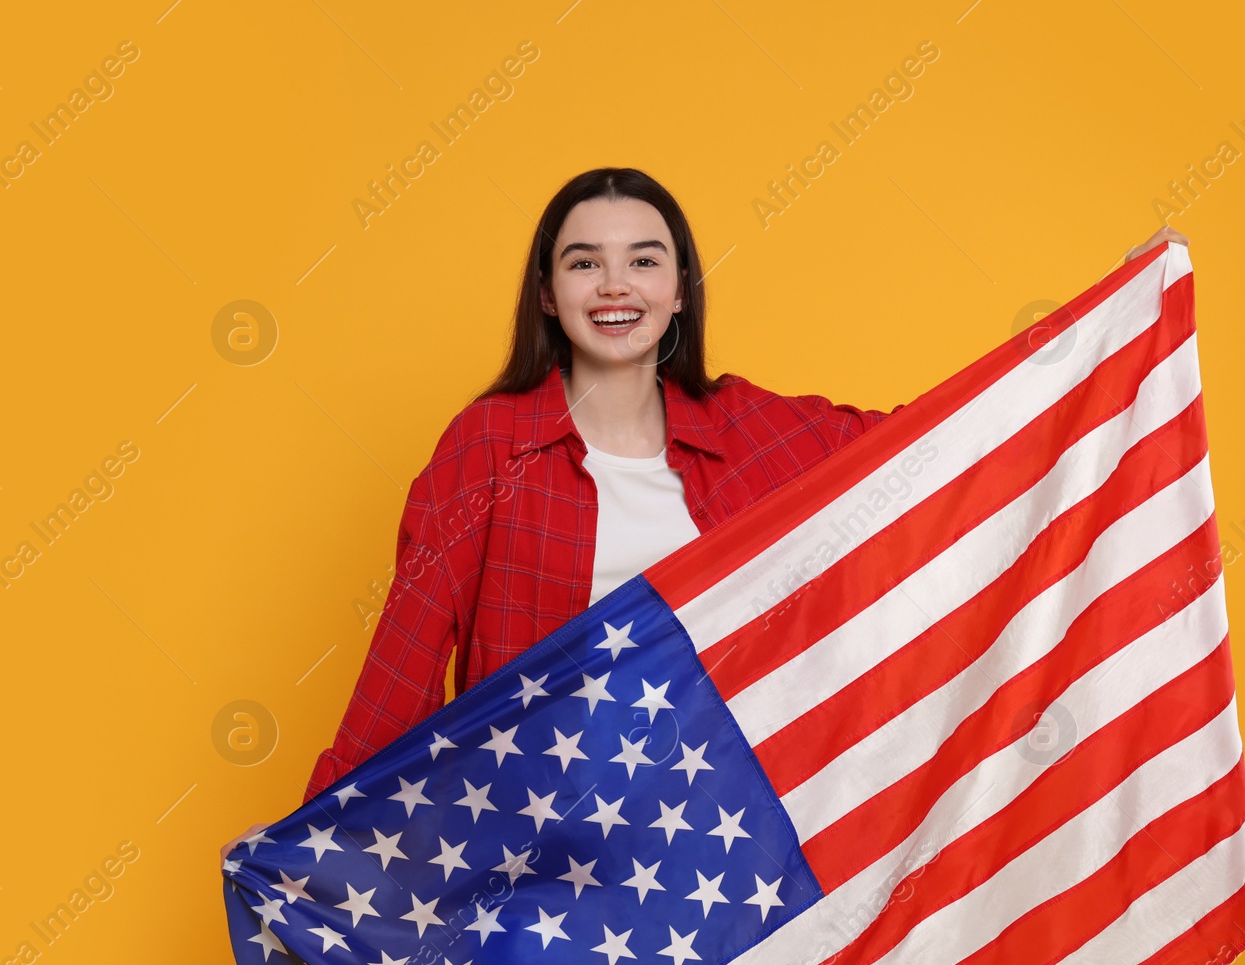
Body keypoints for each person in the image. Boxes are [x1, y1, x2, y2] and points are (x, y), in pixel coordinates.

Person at [220, 167, 1188, 865]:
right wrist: (307, 848)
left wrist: (1108, 325)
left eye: (642, 260)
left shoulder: (755, 431)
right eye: (583, 263)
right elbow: (401, 664)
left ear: (677, 286)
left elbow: (944, 444)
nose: (614, 286)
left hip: (716, 853)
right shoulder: (487, 448)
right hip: (533, 859)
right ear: (549, 297)